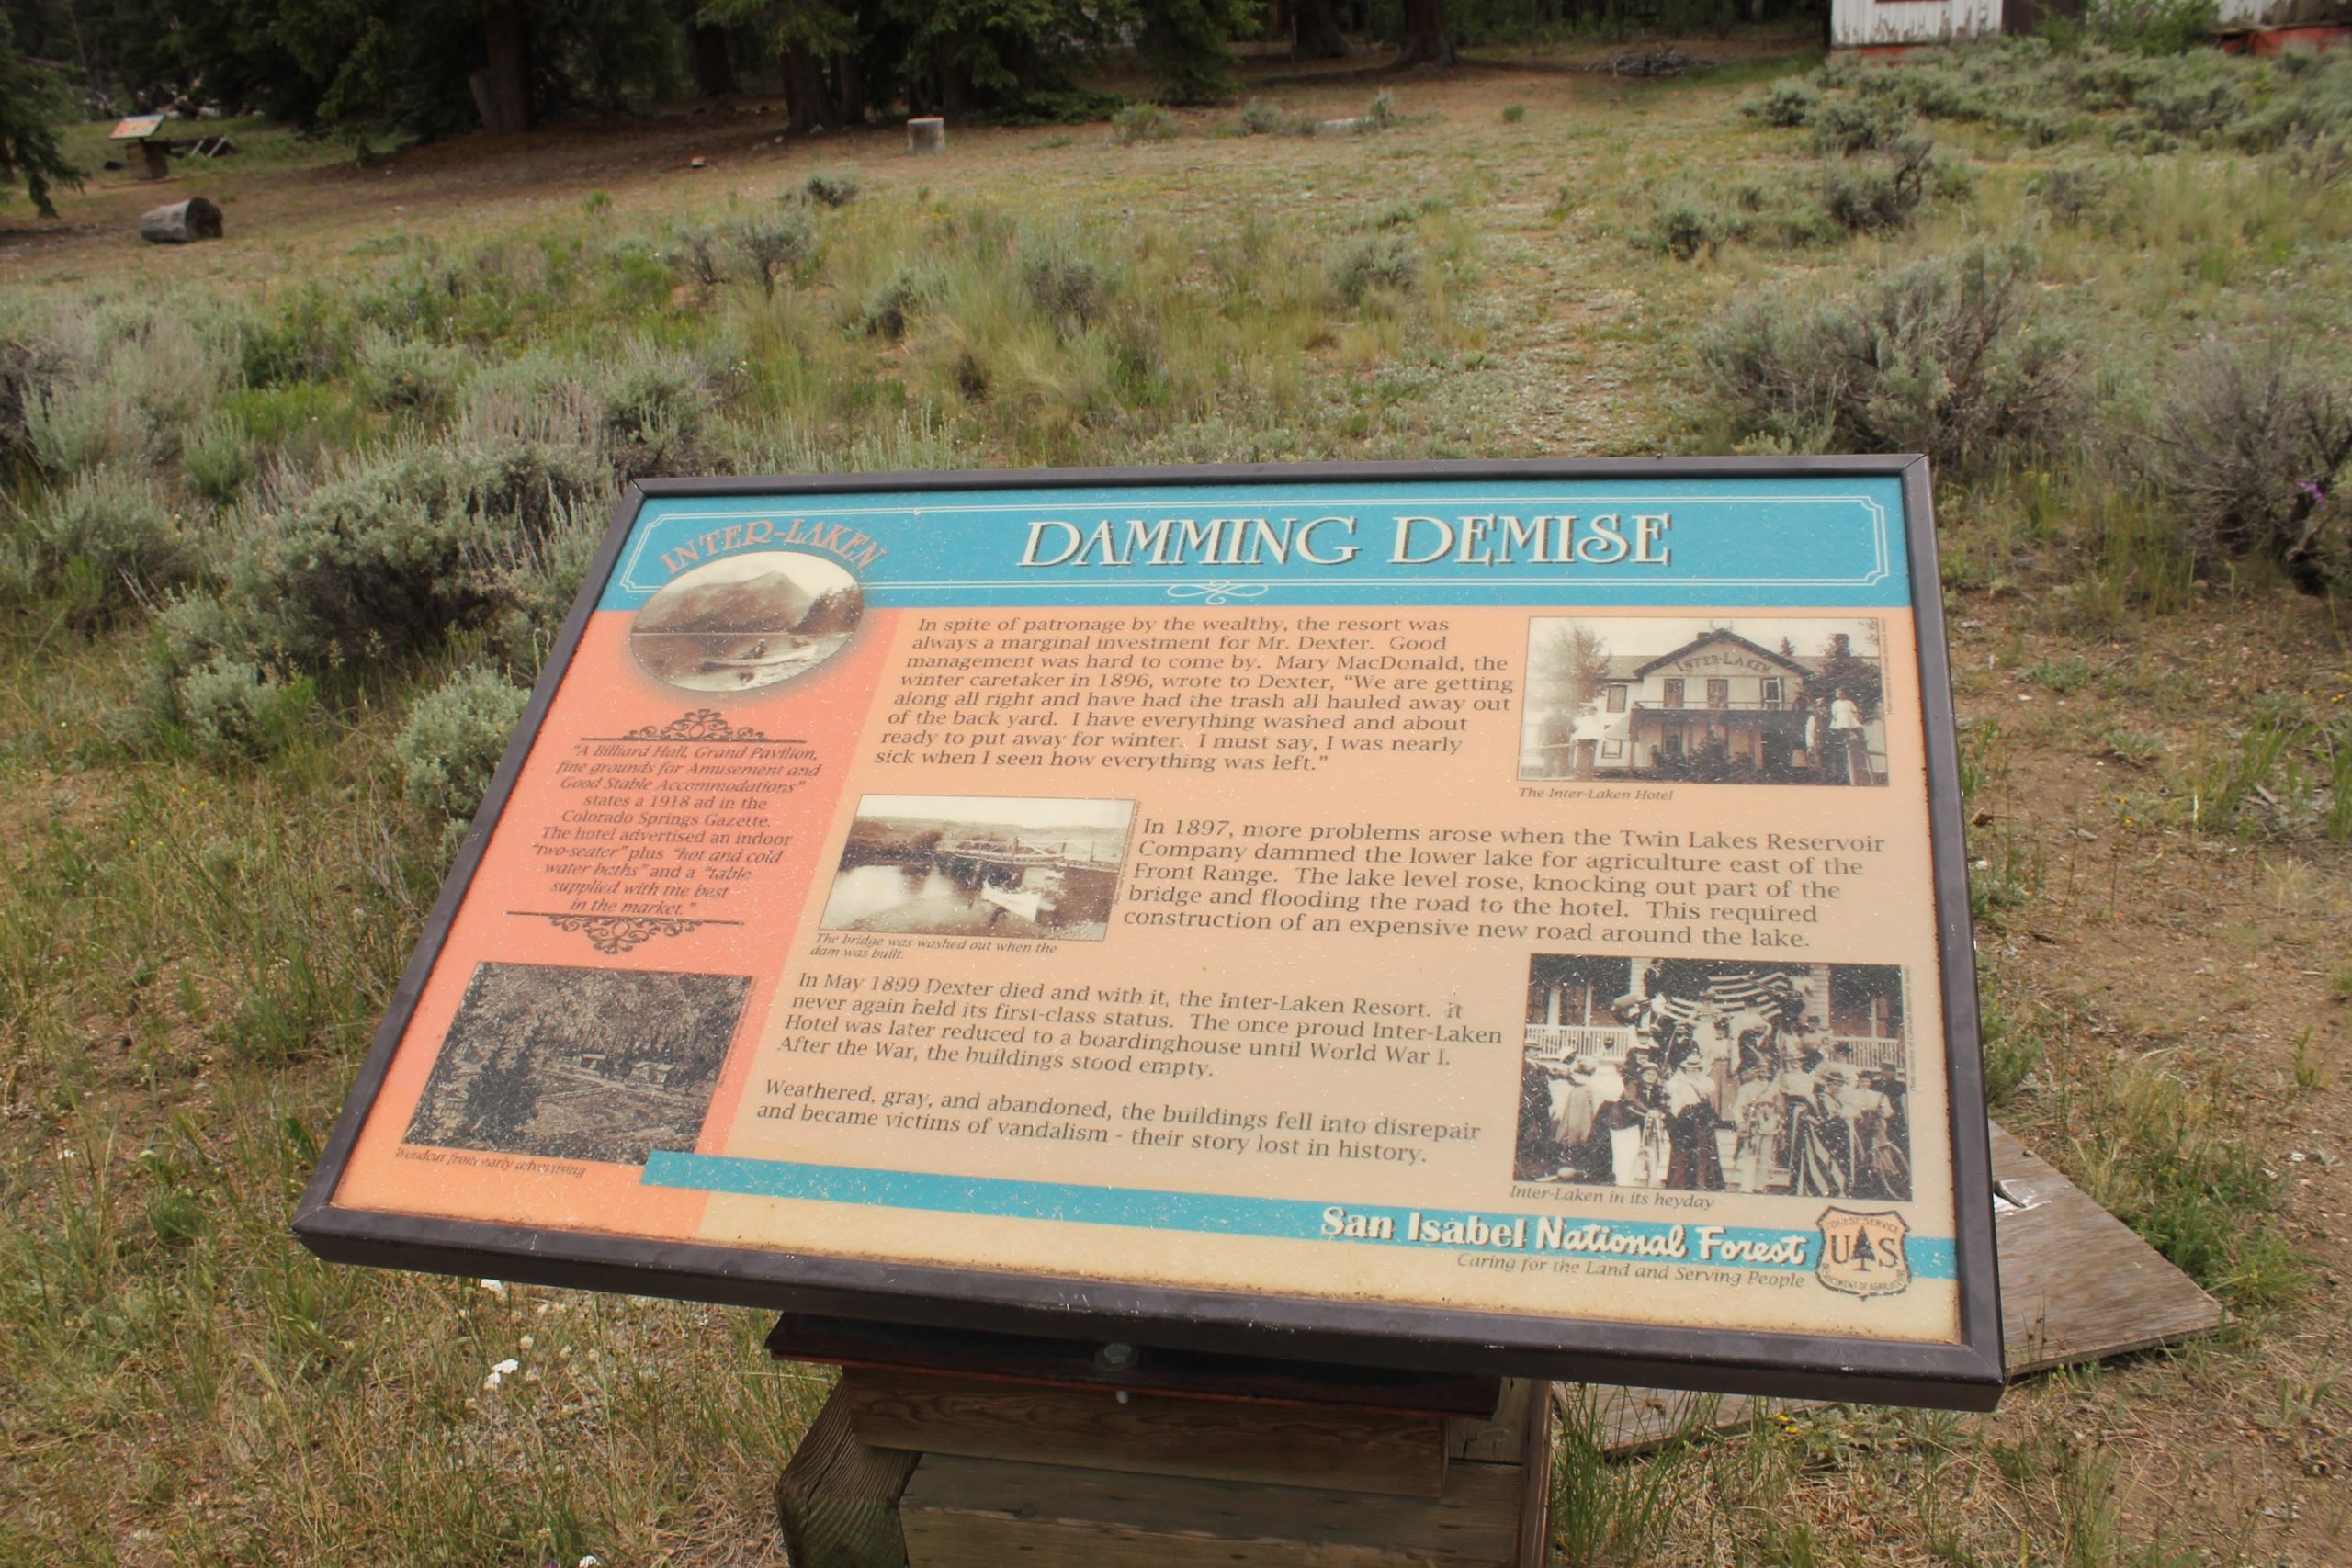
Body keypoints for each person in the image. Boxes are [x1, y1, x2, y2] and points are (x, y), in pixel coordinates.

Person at [1663, 1048, 1725, 1190]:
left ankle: (1702, 1183)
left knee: (1703, 1151)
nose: (1693, 1072)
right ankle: (1681, 1183)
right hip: (1685, 1117)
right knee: (1683, 1151)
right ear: (1685, 1069)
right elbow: (1670, 1088)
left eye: (1696, 1069)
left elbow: (1709, 1088)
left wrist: (1691, 1082)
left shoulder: (1705, 1081)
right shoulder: (1678, 1081)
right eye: (1690, 1069)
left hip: (1701, 1116)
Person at [1831, 686, 1869, 785]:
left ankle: (1850, 733)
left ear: (1844, 694)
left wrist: (1857, 718)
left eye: (1841, 693)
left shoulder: (1849, 702)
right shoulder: (1835, 703)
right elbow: (1834, 713)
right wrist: (1836, 720)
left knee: (1850, 726)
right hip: (1840, 718)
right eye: (1838, 693)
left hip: (1848, 717)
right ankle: (1845, 734)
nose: (1840, 695)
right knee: (1843, 727)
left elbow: (1855, 712)